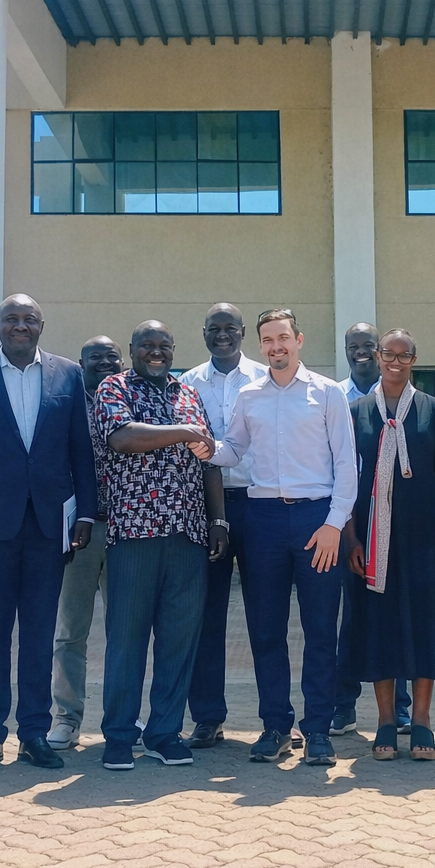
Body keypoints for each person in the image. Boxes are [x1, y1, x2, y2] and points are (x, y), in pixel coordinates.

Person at [0, 294, 98, 772]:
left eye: (29, 319)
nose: (20, 326)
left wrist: (86, 516)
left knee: (38, 633)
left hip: (48, 527)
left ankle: (34, 732)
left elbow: (81, 451)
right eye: (11, 318)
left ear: (41, 325)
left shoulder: (67, 375)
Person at [210, 308, 358, 767]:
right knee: (266, 629)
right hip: (264, 522)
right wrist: (203, 446)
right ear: (261, 346)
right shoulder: (249, 395)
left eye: (283, 338)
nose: (276, 347)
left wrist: (334, 525)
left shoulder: (327, 393)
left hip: (318, 521)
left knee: (319, 630)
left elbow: (347, 466)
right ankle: (275, 725)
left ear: (299, 340)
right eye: (268, 341)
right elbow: (233, 449)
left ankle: (317, 730)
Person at [92, 321, 229, 770]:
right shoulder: (114, 387)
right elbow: (123, 437)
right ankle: (118, 735)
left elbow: (209, 461)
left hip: (187, 534)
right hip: (134, 534)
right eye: (147, 346)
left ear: (173, 350)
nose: (156, 352)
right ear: (131, 350)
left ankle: (164, 733)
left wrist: (218, 518)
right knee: (127, 640)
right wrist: (186, 432)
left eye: (164, 346)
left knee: (178, 641)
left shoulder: (187, 393)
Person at [341, 329, 435, 761]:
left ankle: (423, 721)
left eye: (404, 355)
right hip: (374, 539)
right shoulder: (355, 411)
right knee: (379, 624)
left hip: (423, 535)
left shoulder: (434, 411)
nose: (395, 361)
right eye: (388, 354)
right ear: (377, 357)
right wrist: (352, 536)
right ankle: (384, 721)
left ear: (414, 359)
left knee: (424, 623)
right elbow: (346, 478)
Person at [179, 304, 268, 748]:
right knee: (205, 616)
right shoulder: (188, 383)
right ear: (204, 333)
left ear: (242, 333)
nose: (222, 336)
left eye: (230, 328)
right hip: (205, 508)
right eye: (214, 329)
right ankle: (208, 717)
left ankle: (275, 719)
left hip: (258, 504)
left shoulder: (265, 378)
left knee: (265, 615)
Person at [334, 320, 411, 735]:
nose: (361, 351)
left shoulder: (401, 400)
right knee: (351, 616)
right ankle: (343, 704)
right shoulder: (335, 398)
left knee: (393, 614)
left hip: (397, 525)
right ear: (346, 350)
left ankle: (399, 709)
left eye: (369, 345)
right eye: (354, 345)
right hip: (354, 523)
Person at [47, 336, 123, 751]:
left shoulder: (130, 399)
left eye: (113, 356)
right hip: (79, 533)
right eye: (96, 357)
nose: (105, 362)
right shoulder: (65, 402)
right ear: (81, 364)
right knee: (71, 631)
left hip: (125, 531)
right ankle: (67, 717)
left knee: (124, 632)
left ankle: (121, 718)